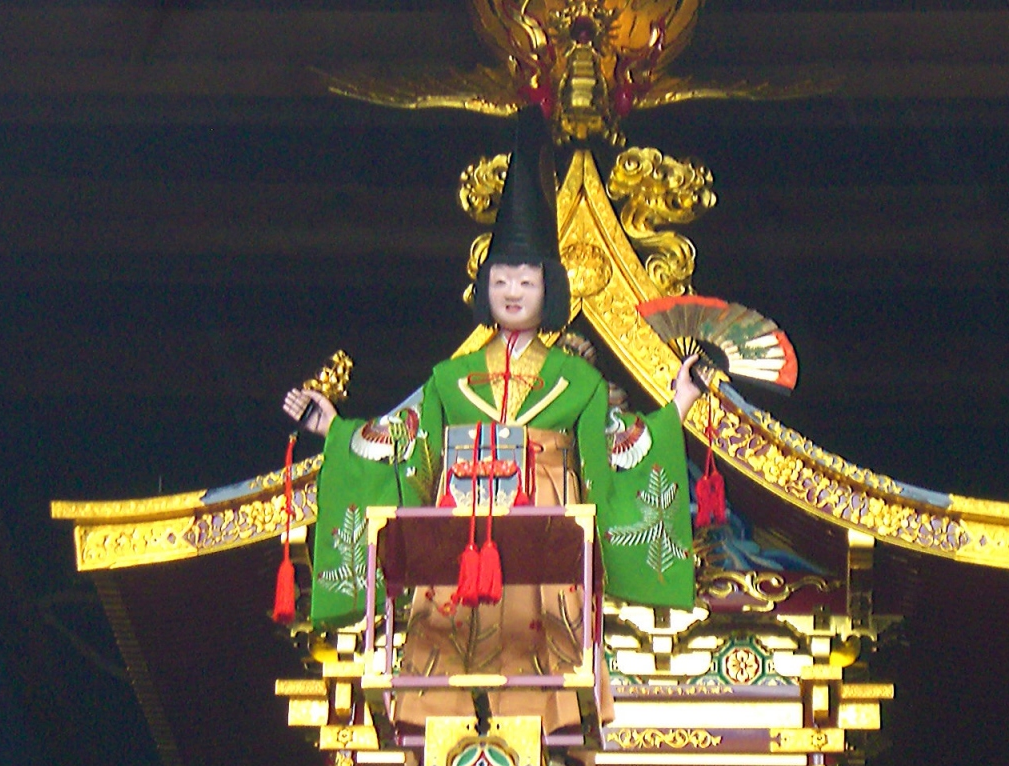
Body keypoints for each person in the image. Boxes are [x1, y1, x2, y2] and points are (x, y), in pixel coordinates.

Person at [283, 109, 700, 733]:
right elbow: (412, 449)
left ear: (547, 288)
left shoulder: (579, 382)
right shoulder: (448, 381)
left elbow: (612, 456)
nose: (511, 290)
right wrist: (336, 431)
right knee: (449, 648)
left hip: (543, 535)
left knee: (540, 652)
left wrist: (679, 406)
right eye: (501, 278)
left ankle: (549, 730)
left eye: (525, 279)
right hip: (461, 531)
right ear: (485, 287)